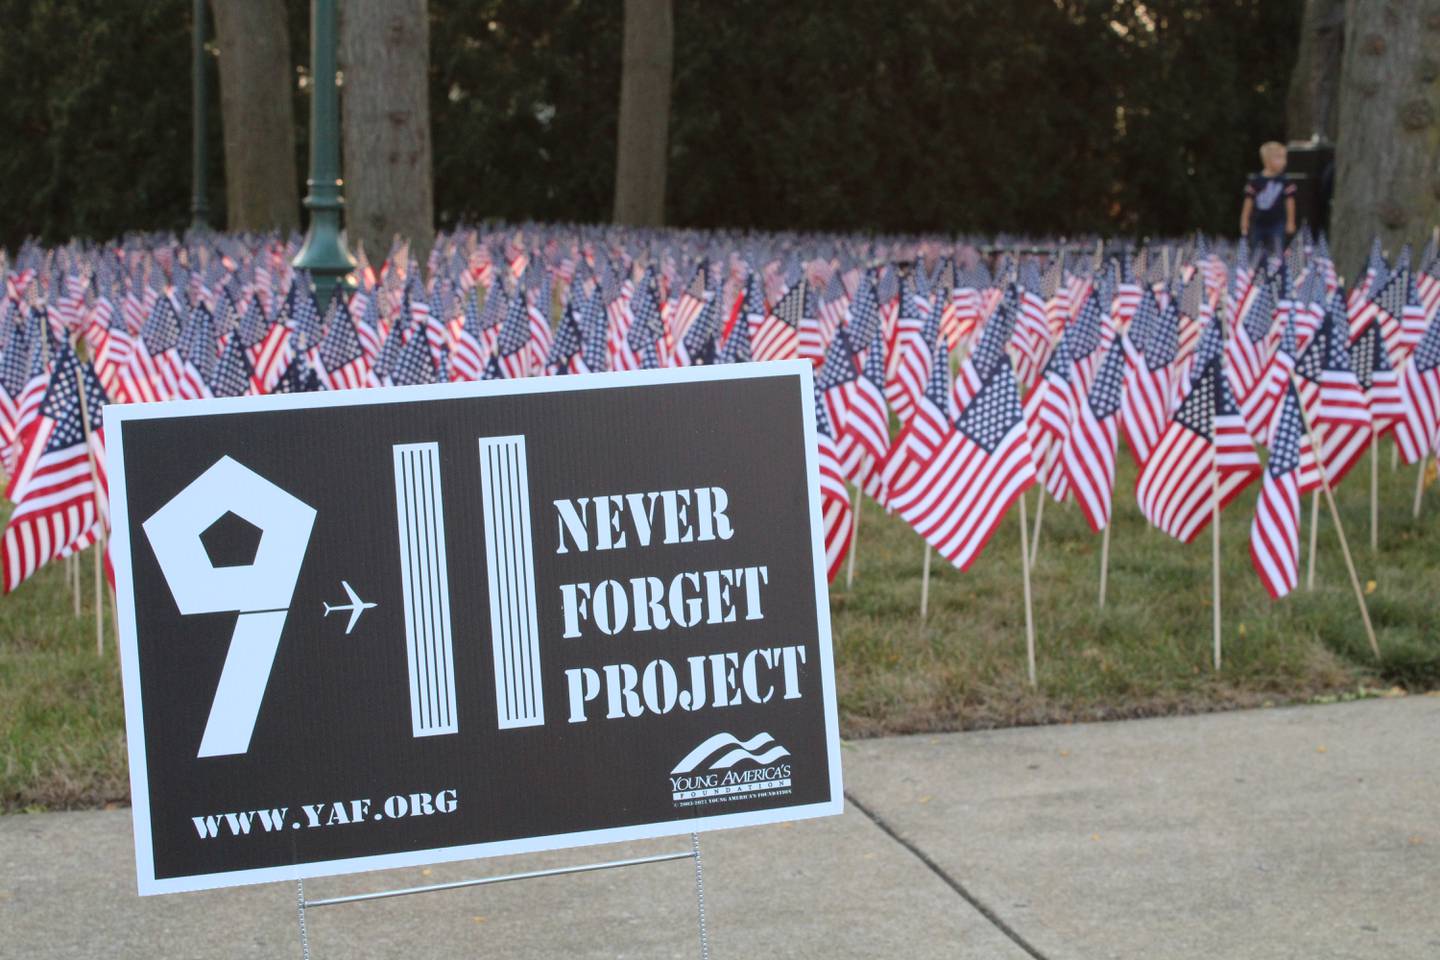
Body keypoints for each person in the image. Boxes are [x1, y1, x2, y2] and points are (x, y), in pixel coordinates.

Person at [1239, 141, 1296, 255]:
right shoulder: (1256, 182)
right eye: (1280, 158)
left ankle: (1277, 269)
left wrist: (1290, 222)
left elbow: (1290, 202)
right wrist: (1244, 219)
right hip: (1258, 223)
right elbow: (1248, 201)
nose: (1284, 162)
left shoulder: (1285, 182)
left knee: (1277, 249)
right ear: (1268, 161)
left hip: (1278, 223)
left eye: (1284, 158)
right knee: (1256, 249)